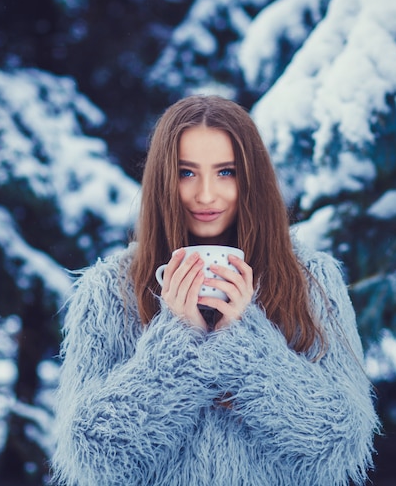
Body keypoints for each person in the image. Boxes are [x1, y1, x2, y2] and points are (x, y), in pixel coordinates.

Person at [51, 95, 379, 486]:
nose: (206, 195)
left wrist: (244, 338)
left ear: (251, 179)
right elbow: (91, 455)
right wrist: (177, 338)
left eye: (226, 172)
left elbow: (340, 444)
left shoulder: (312, 281)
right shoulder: (108, 290)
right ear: (163, 180)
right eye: (187, 173)